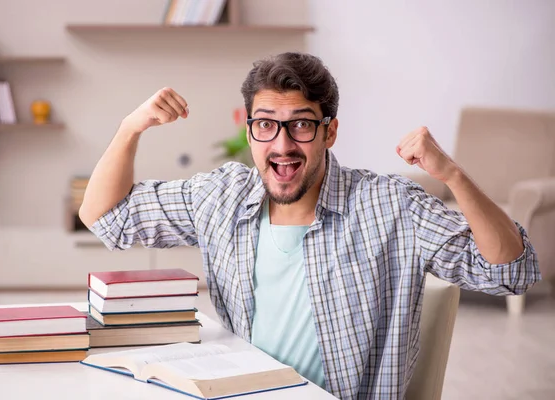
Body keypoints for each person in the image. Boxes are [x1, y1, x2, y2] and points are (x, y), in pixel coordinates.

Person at [79, 52, 541, 399]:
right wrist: (129, 128)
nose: (282, 145)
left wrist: (453, 176)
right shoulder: (222, 197)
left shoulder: (388, 206)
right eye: (266, 125)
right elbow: (105, 217)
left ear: (329, 131)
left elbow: (510, 272)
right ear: (250, 131)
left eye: (301, 125)